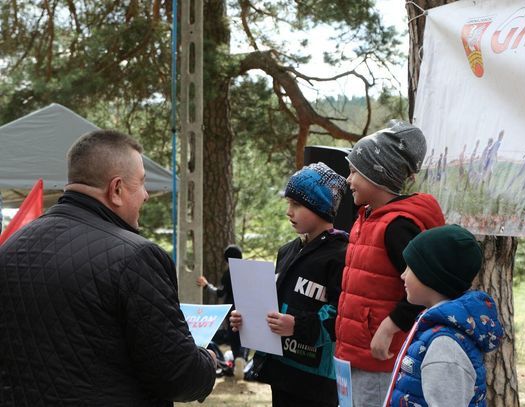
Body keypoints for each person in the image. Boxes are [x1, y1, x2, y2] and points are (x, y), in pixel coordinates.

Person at [0, 130, 216, 406]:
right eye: (142, 183)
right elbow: (179, 376)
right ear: (116, 190)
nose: (146, 195)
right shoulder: (137, 257)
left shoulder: (10, 247)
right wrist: (208, 362)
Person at [334, 120, 446, 407]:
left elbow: (424, 289)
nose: (348, 180)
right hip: (355, 356)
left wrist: (388, 327)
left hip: (380, 360)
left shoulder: (397, 227)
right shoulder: (367, 218)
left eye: (354, 172)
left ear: (378, 174)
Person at [230, 162, 349, 407]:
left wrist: (297, 326)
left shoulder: (341, 255)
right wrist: (247, 319)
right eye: (288, 203)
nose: (288, 212)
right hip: (281, 372)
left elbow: (341, 314)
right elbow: (273, 304)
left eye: (296, 204)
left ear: (319, 207)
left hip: (315, 381)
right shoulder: (287, 251)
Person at [384, 224, 504, 406]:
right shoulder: (434, 327)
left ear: (431, 275)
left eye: (410, 267)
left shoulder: (445, 347)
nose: (403, 275)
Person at [197, 244, 249, 379]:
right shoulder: (248, 271)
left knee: (234, 337)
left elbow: (220, 293)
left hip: (232, 310)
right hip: (247, 307)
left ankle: (236, 359)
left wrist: (206, 285)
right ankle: (242, 360)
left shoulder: (228, 274)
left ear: (226, 259)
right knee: (246, 337)